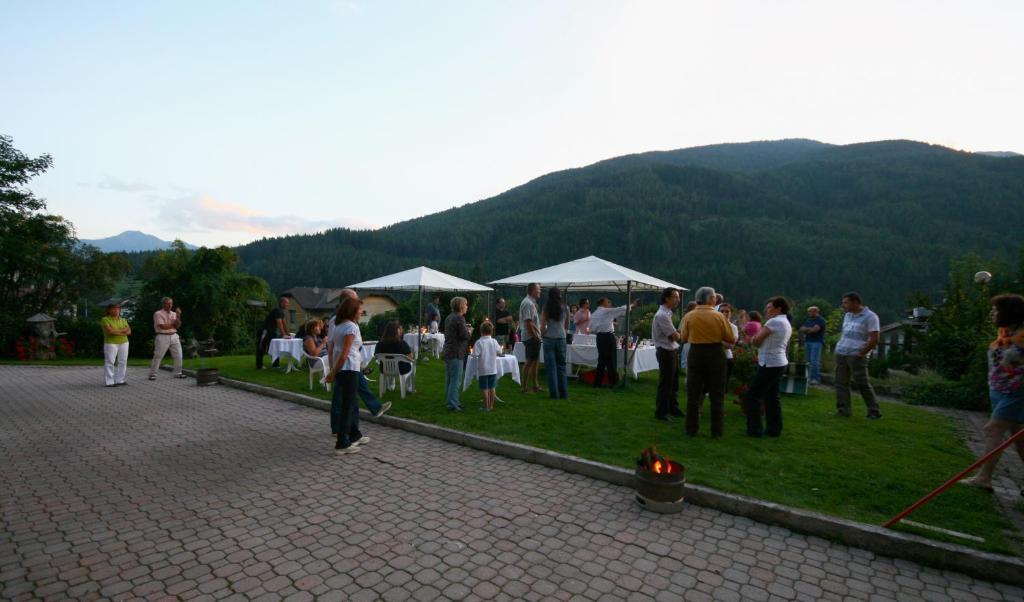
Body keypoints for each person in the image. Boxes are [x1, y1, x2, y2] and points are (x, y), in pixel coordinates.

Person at [962, 294, 1024, 493]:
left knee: (993, 429)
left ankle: (984, 478)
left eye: (996, 309)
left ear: (1009, 313)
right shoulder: (1006, 333)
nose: (993, 313)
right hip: (1000, 389)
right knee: (1018, 435)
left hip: (1017, 392)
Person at [679, 287, 736, 436]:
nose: (716, 299)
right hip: (716, 353)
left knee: (693, 393)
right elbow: (731, 338)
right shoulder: (719, 317)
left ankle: (691, 429)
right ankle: (716, 431)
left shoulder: (689, 316)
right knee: (717, 394)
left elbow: (683, 338)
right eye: (714, 297)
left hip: (696, 353)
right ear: (710, 299)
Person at [337, 289, 392, 417]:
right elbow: (337, 347)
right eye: (355, 300)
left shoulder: (348, 321)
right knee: (345, 398)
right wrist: (334, 370)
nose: (361, 309)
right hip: (347, 365)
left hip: (350, 363)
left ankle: (374, 409)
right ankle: (346, 429)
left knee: (356, 390)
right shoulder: (343, 322)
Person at [745, 297, 793, 437]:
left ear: (779, 308)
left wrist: (753, 339)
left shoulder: (774, 321)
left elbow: (757, 341)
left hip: (769, 363)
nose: (766, 310)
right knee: (772, 397)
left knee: (753, 396)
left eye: (769, 307)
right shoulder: (785, 322)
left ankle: (755, 430)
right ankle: (774, 429)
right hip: (779, 362)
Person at [326, 296, 366, 454]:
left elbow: (335, 350)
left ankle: (349, 437)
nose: (361, 312)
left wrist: (334, 370)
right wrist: (333, 372)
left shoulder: (338, 326)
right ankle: (342, 442)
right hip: (349, 368)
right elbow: (344, 354)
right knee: (348, 405)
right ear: (352, 311)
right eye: (359, 309)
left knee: (346, 404)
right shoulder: (351, 327)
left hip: (343, 369)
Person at [834, 292, 882, 419]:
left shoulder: (870, 317)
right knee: (841, 383)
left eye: (846, 302)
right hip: (842, 352)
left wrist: (861, 353)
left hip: (856, 355)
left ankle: (874, 411)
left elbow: (874, 339)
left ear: (855, 302)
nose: (843, 305)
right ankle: (843, 410)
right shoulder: (848, 316)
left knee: (862, 383)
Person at [590, 297, 640, 388]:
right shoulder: (606, 311)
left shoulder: (594, 313)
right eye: (608, 301)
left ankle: (597, 383)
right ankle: (613, 383)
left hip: (599, 337)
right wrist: (633, 304)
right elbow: (620, 309)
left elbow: (591, 328)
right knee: (611, 361)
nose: (609, 303)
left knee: (601, 361)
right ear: (603, 303)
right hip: (608, 337)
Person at [653, 288, 683, 422]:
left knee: (673, 382)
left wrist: (678, 334)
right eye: (675, 297)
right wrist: (682, 335)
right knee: (666, 383)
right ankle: (661, 412)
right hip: (666, 352)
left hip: (671, 351)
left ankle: (673, 407)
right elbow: (673, 336)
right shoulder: (662, 315)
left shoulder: (667, 313)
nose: (678, 300)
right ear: (667, 298)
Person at [442, 296, 472, 411]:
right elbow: (464, 335)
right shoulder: (460, 318)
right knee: (456, 379)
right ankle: (453, 404)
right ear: (461, 306)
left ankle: (452, 400)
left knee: (450, 378)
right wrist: (469, 331)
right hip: (456, 352)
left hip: (448, 350)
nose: (467, 307)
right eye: (466, 304)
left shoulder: (449, 317)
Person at [541, 287, 570, 399]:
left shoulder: (546, 307)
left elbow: (543, 325)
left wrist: (542, 334)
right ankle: (564, 394)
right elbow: (567, 325)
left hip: (549, 338)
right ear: (559, 295)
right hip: (561, 338)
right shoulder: (565, 307)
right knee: (561, 366)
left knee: (551, 367)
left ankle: (554, 394)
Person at [148, 296, 185, 380]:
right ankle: (153, 374)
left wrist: (178, 316)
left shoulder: (174, 314)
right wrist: (173, 324)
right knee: (158, 355)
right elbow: (163, 326)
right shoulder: (158, 313)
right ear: (163, 304)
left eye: (171, 303)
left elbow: (178, 325)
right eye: (168, 303)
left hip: (174, 335)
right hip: (162, 336)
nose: (170, 305)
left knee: (178, 355)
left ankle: (178, 373)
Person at [472, 321, 502, 412]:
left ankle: (486, 407)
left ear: (481, 331)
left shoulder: (479, 342)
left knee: (484, 388)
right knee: (492, 387)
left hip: (483, 369)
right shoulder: (494, 341)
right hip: (493, 369)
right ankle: (491, 406)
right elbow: (500, 352)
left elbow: (474, 354)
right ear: (491, 331)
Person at [519, 284, 543, 393]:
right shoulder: (528, 303)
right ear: (533, 290)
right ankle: (524, 387)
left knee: (535, 361)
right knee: (529, 361)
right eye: (538, 289)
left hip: (533, 336)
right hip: (530, 337)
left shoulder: (531, 302)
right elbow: (528, 322)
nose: (540, 291)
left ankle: (535, 385)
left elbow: (531, 322)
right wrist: (535, 336)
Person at [101, 301, 131, 387]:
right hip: (111, 343)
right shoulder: (105, 319)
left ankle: (120, 380)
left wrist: (116, 331)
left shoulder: (123, 319)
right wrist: (123, 331)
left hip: (124, 342)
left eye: (118, 308)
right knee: (110, 361)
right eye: (113, 308)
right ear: (109, 310)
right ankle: (109, 381)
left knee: (123, 361)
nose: (116, 310)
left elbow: (129, 331)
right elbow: (110, 331)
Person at [257, 296, 290, 369]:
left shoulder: (282, 312)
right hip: (265, 331)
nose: (287, 305)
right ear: (281, 303)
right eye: (286, 303)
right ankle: (259, 365)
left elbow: (284, 323)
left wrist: (287, 334)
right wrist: (283, 334)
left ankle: (275, 364)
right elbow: (279, 323)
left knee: (274, 347)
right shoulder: (277, 310)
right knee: (262, 347)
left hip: (272, 331)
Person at [800, 306, 827, 384]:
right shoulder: (808, 320)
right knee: (808, 361)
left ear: (816, 311)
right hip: (808, 341)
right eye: (809, 312)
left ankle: (816, 378)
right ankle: (808, 377)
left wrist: (807, 329)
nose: (811, 313)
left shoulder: (821, 320)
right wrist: (809, 329)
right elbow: (802, 329)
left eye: (812, 311)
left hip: (817, 342)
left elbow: (815, 330)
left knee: (814, 361)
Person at [719, 304, 740, 397]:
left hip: (726, 358)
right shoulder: (713, 325)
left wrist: (717, 340)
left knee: (723, 384)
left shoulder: (733, 327)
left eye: (727, 311)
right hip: (713, 357)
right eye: (722, 311)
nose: (724, 313)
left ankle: (720, 409)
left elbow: (731, 345)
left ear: (731, 313)